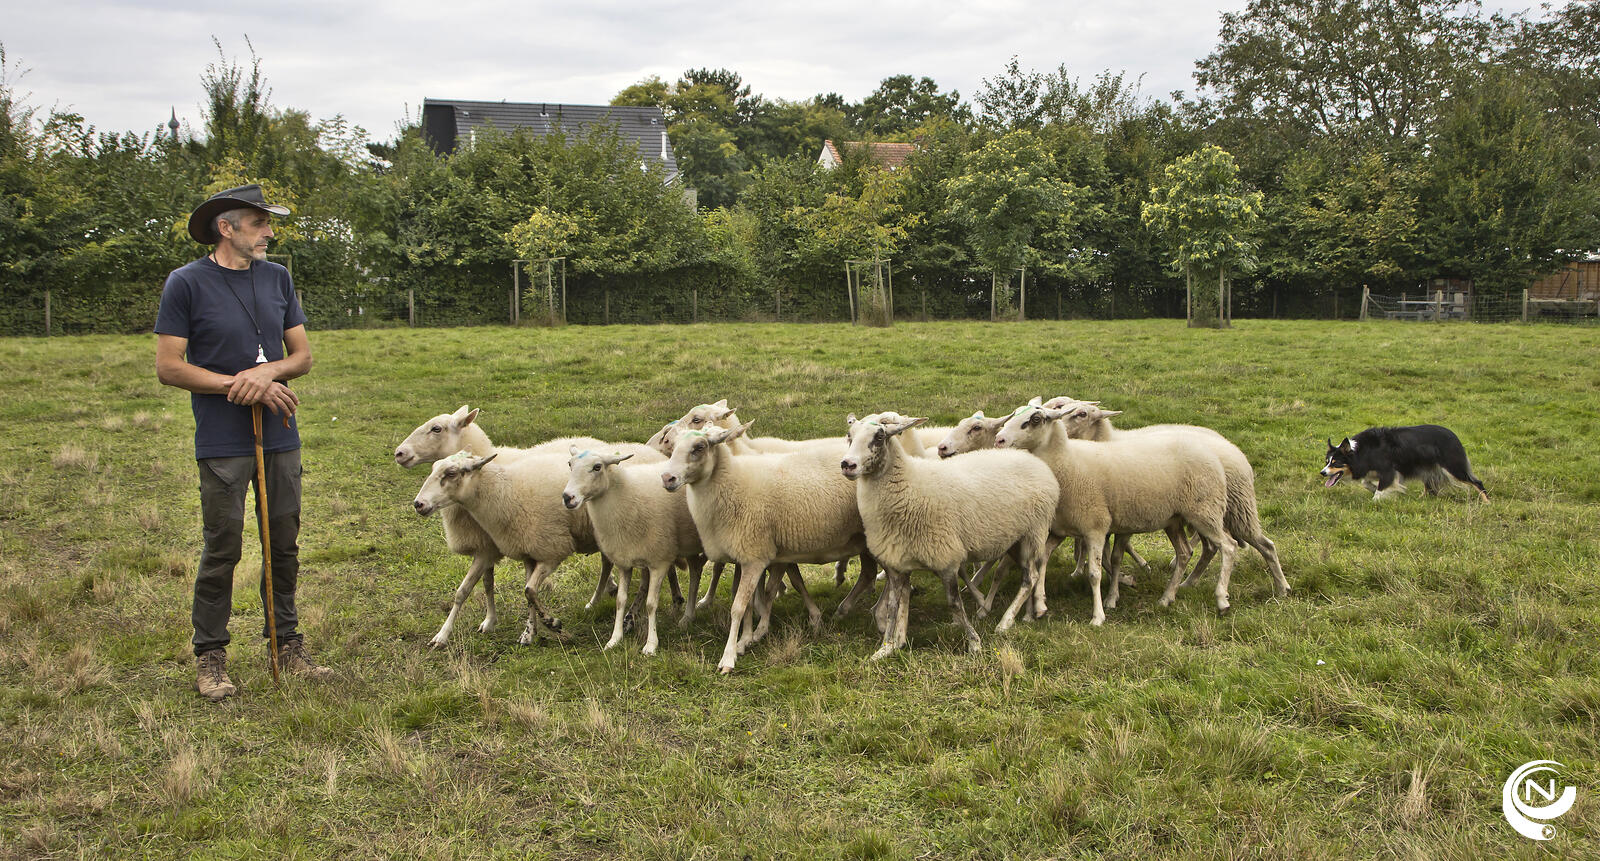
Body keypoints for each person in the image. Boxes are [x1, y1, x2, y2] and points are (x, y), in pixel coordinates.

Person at [155, 183, 332, 701]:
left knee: (283, 543)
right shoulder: (185, 283)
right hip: (221, 439)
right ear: (225, 228)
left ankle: (286, 645)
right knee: (223, 546)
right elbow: (169, 367)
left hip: (278, 430)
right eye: (259, 224)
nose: (269, 233)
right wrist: (239, 383)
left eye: (268, 224)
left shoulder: (278, 278)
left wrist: (268, 372)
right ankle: (210, 655)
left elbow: (299, 357)